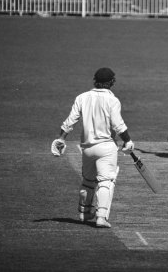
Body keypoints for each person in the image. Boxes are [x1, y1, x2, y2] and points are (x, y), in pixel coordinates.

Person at [52, 68, 135, 229]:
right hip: (106, 147)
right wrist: (128, 141)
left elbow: (70, 121)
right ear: (111, 82)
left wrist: (61, 138)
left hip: (87, 148)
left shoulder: (82, 97)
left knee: (88, 181)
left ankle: (84, 213)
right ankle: (101, 217)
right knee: (106, 181)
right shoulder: (113, 101)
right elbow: (118, 126)